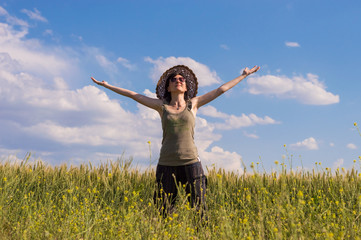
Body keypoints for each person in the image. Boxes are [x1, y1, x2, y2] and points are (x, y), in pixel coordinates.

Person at [91, 64, 260, 217]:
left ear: (186, 87)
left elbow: (221, 90)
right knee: (163, 211)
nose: (178, 80)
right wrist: (107, 86)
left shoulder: (193, 104)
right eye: (174, 79)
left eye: (181, 79)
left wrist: (244, 75)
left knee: (199, 210)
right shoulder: (161, 106)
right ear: (169, 86)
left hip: (191, 162)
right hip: (166, 163)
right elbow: (134, 95)